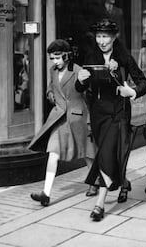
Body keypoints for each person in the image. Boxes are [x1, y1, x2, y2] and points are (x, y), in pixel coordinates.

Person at [77, 19, 146, 221]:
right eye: (98, 36)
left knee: (107, 155)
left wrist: (131, 91)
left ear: (114, 37)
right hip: (99, 114)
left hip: (119, 114)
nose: (101, 40)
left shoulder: (124, 57)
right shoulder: (91, 56)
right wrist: (80, 81)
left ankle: (99, 205)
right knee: (108, 154)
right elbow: (81, 87)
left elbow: (144, 83)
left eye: (105, 36)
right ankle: (124, 183)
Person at [28, 39, 92, 206]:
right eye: (52, 58)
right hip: (59, 118)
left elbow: (87, 94)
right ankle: (46, 193)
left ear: (66, 55)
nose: (55, 61)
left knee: (87, 153)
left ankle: (95, 181)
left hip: (77, 117)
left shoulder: (79, 71)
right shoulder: (53, 71)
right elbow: (51, 87)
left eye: (58, 57)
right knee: (53, 153)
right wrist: (50, 94)